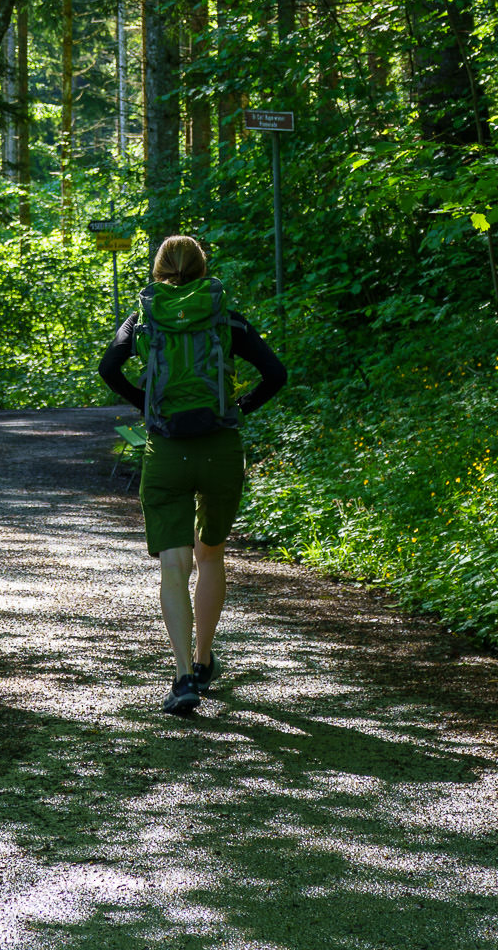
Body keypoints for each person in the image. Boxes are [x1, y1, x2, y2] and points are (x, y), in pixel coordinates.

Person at [99, 233, 286, 715]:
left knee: (174, 565)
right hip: (220, 448)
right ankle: (205, 660)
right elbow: (275, 373)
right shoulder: (223, 314)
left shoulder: (144, 315)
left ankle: (182, 678)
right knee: (212, 556)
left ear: (159, 268)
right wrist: (239, 408)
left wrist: (147, 405)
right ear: (204, 268)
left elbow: (109, 367)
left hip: (166, 451)